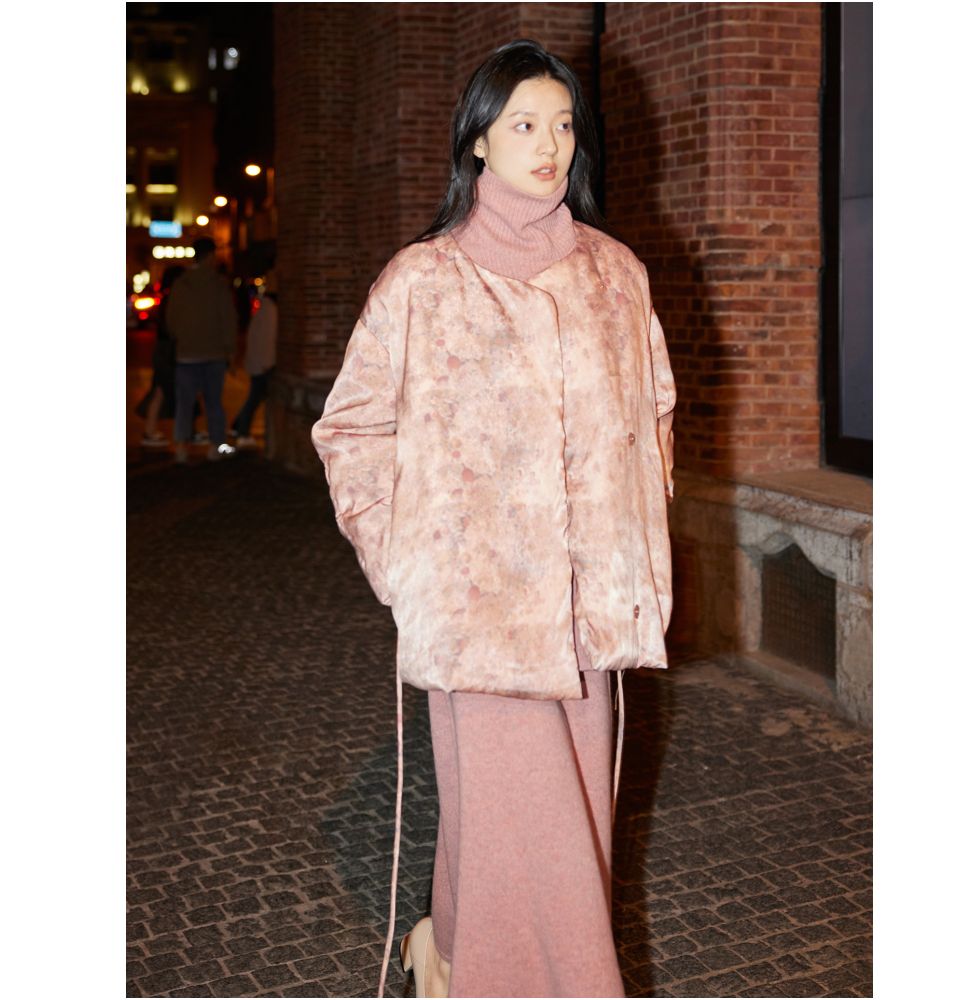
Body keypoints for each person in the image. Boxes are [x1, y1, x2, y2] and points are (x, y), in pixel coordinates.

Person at [312, 39, 676, 999]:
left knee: (567, 827)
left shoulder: (615, 275)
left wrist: (629, 540)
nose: (549, 146)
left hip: (589, 612)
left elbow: (655, 416)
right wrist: (410, 565)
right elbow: (352, 428)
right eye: (523, 125)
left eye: (563, 125)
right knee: (536, 835)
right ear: (478, 139)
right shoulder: (424, 281)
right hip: (478, 616)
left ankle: (446, 948)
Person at [165, 237, 238, 463]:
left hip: (186, 354)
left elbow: (171, 319)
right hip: (214, 353)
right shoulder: (218, 284)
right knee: (213, 402)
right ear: (211, 256)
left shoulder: (182, 283)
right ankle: (216, 446)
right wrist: (230, 350)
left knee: (185, 404)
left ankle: (181, 447)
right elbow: (228, 319)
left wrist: (182, 336)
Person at [136, 265, 186, 447]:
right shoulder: (172, 299)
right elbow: (170, 328)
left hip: (164, 351)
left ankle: (150, 431)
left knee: (161, 390)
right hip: (167, 352)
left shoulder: (168, 298)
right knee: (161, 391)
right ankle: (150, 432)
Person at [230, 273, 278, 448]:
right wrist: (267, 362)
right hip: (262, 363)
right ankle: (242, 430)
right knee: (255, 397)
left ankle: (238, 425)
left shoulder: (264, 308)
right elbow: (267, 338)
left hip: (258, 361)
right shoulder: (270, 310)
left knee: (255, 396)